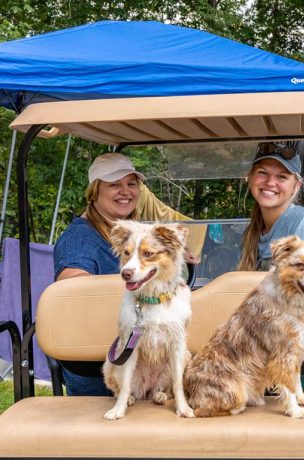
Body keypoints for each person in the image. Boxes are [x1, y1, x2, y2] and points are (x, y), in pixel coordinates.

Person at [53, 152, 204, 395]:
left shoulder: (132, 232)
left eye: (131, 184)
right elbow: (72, 290)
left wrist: (171, 261)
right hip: (102, 368)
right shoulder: (80, 238)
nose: (126, 191)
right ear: (94, 192)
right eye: (114, 185)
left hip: (143, 358)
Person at [238, 141, 304, 391]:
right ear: (251, 178)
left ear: (296, 185)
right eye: (262, 173)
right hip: (273, 345)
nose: (270, 182)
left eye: (282, 176)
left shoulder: (302, 224)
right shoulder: (255, 228)